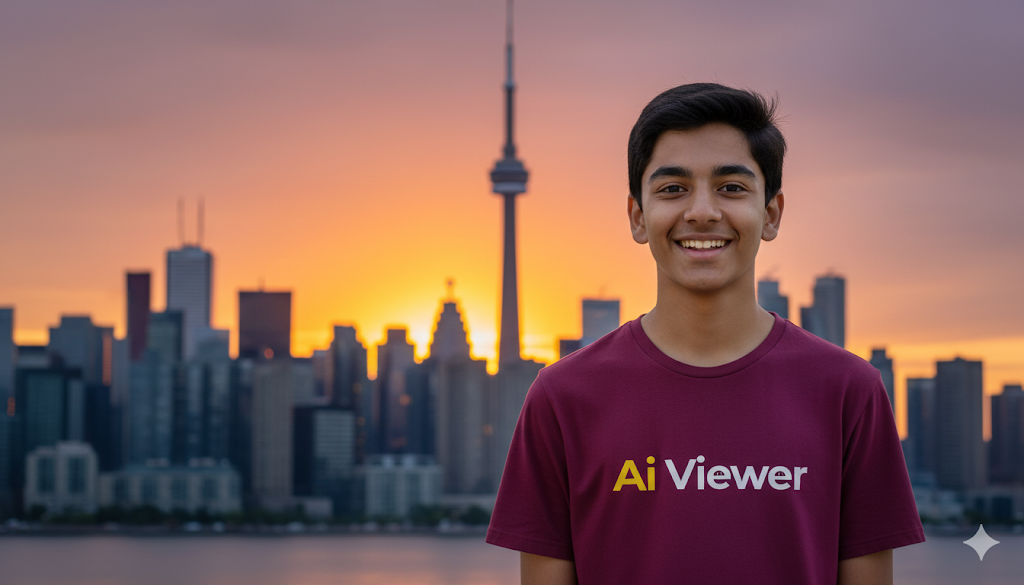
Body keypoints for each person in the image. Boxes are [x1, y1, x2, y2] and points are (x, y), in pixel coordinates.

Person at [485, 83, 925, 585]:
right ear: (636, 216)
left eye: (731, 187)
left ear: (772, 214)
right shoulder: (563, 397)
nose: (701, 212)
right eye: (673, 188)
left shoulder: (849, 391)